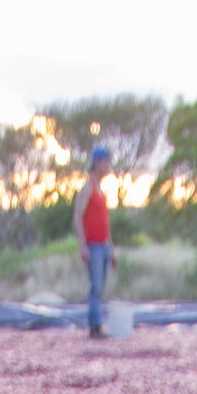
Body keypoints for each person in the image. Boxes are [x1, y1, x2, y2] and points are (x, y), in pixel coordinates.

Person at [73, 143, 117, 339]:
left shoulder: (101, 191)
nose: (108, 165)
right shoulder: (88, 189)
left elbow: (105, 224)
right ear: (97, 163)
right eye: (106, 161)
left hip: (103, 245)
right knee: (96, 286)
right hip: (93, 246)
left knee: (100, 288)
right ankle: (94, 327)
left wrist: (112, 249)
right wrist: (82, 245)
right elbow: (78, 217)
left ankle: (97, 324)